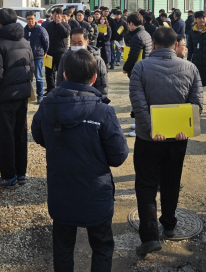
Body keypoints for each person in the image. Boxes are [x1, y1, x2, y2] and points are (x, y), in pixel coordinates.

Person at [32, 49, 128, 272]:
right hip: (96, 192)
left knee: (63, 247)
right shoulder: (103, 111)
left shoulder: (47, 105)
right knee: (102, 246)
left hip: (61, 189)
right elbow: (118, 156)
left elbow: (38, 134)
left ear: (64, 75)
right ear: (94, 78)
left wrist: (59, 145)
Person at [129, 27, 203, 257]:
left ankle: (150, 236)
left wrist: (152, 129)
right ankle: (169, 223)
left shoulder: (140, 67)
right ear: (175, 44)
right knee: (172, 180)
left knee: (146, 185)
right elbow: (196, 105)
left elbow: (138, 105)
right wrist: (184, 128)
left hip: (148, 138)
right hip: (178, 138)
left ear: (154, 44)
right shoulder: (190, 68)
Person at [0, 8, 34, 189]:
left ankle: (8, 177)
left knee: (4, 137)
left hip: (5, 99)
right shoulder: (25, 41)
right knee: (20, 134)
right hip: (22, 96)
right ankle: (20, 174)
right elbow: (32, 69)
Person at [56, 27, 108, 101]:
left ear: (87, 42)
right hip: (69, 101)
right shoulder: (65, 58)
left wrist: (100, 101)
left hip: (90, 101)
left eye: (80, 43)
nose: (77, 45)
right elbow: (60, 80)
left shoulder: (96, 60)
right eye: (73, 43)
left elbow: (102, 85)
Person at [43, 7, 72, 94]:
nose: (55, 17)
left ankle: (61, 89)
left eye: (57, 15)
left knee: (61, 72)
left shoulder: (65, 25)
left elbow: (66, 34)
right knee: (49, 72)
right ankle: (50, 89)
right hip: (49, 52)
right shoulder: (49, 25)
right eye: (54, 15)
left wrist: (59, 24)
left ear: (62, 16)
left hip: (60, 52)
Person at [24, 11, 50, 103]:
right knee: (26, 77)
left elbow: (46, 42)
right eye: (28, 19)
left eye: (32, 19)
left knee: (38, 77)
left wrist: (44, 52)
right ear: (26, 19)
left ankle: (40, 95)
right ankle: (28, 95)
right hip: (26, 56)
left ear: (35, 19)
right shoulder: (24, 30)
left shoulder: (40, 29)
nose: (30, 20)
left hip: (37, 56)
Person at [122, 12, 152, 78]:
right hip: (146, 67)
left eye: (128, 24)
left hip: (138, 70)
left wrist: (125, 68)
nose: (128, 26)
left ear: (132, 23)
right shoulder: (146, 33)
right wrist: (126, 49)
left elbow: (133, 57)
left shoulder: (137, 37)